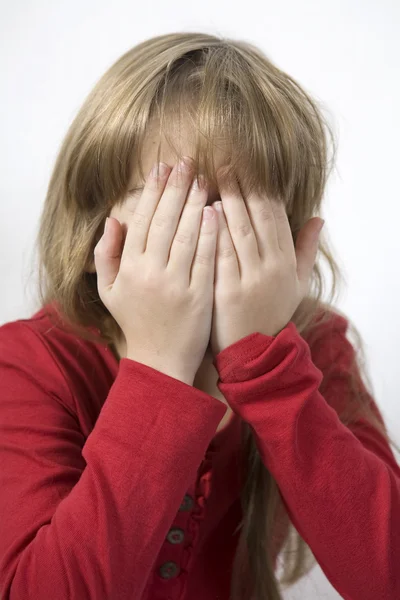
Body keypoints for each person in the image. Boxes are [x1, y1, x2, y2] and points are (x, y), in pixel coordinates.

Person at [0, 32, 399, 600]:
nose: (207, 234)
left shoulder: (317, 347)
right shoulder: (29, 363)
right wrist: (161, 367)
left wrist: (266, 366)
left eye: (240, 209)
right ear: (94, 230)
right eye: (173, 205)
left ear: (294, 240)